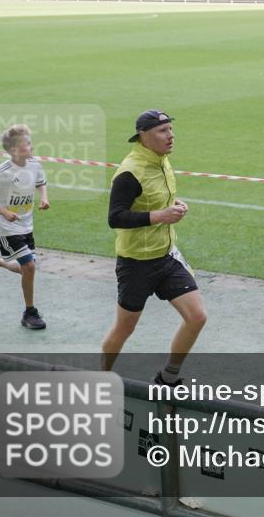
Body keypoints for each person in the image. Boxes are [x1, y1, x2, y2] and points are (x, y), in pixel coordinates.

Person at [101, 110, 207, 386]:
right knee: (125, 329)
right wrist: (159, 216)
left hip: (166, 256)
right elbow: (115, 217)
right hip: (136, 263)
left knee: (196, 317)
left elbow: (157, 198)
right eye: (163, 131)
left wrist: (175, 205)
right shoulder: (129, 172)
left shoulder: (162, 161)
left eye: (171, 129)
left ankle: (168, 377)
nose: (170, 136)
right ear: (144, 136)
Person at [0, 124, 50, 330]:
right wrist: (4, 212)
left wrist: (44, 198)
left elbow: (41, 182)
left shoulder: (34, 164)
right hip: (7, 228)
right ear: (14, 150)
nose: (31, 146)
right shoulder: (2, 172)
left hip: (26, 224)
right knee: (29, 266)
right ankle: (29, 313)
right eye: (27, 144)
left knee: (25, 269)